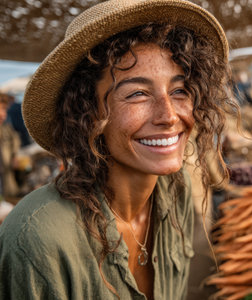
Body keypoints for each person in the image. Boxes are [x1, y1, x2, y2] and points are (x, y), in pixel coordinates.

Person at [0, 1, 239, 299]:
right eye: (137, 93)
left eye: (179, 90)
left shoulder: (175, 190)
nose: (168, 116)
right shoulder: (39, 239)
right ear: (87, 113)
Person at [0, 93, 20, 198]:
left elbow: (15, 140)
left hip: (7, 176)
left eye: (5, 110)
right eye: (2, 109)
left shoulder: (5, 128)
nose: (4, 114)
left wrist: (14, 156)